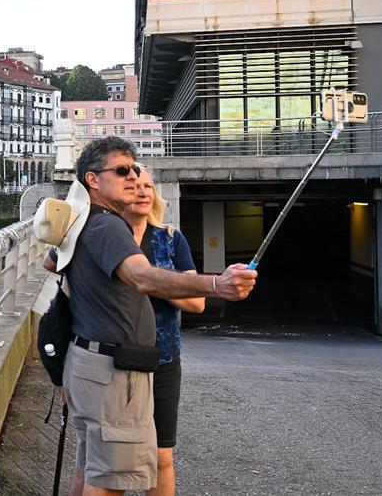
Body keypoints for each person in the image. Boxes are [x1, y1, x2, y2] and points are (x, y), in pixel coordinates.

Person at [43, 136, 256, 495]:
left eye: (135, 170)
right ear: (93, 180)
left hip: (91, 362)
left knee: (94, 468)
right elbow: (141, 277)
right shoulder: (108, 226)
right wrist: (217, 283)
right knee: (110, 481)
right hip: (112, 372)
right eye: (122, 171)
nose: (132, 178)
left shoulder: (83, 223)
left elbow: (51, 263)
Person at [60, 165, 203, 496]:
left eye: (148, 186)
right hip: (110, 364)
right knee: (93, 462)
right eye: (134, 185)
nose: (141, 191)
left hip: (162, 360)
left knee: (162, 457)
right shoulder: (99, 233)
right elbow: (56, 268)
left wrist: (149, 279)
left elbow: (197, 303)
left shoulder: (170, 239)